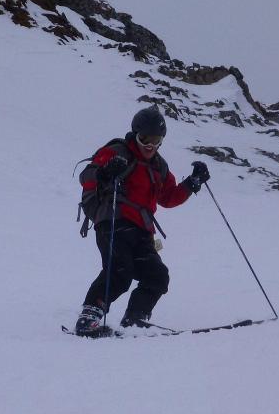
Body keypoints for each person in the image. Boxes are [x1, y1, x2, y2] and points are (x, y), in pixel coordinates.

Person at [74, 105, 211, 336]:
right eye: (145, 139)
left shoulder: (159, 166)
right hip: (113, 220)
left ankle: (135, 320)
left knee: (157, 276)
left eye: (157, 140)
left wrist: (192, 183)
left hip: (142, 230)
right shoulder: (117, 152)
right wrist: (105, 172)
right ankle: (88, 319)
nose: (151, 146)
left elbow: (168, 198)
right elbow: (86, 176)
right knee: (120, 270)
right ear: (135, 133)